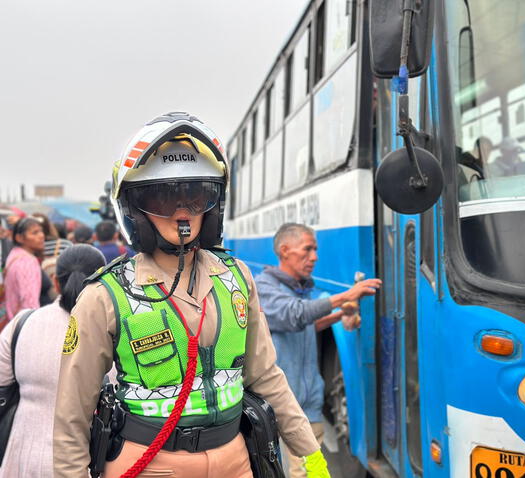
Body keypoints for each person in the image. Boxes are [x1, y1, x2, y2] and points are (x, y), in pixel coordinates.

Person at [53, 112, 328, 478]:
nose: (182, 211)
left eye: (195, 196)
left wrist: (310, 453)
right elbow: (71, 415)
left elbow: (266, 375)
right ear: (134, 208)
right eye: (164, 198)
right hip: (149, 462)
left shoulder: (236, 278)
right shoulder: (106, 296)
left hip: (237, 459)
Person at [255, 223, 382, 478]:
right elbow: (295, 314)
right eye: (308, 249)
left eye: (315, 250)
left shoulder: (300, 287)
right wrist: (347, 295)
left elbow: (305, 325)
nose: (314, 257)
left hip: (309, 405)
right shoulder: (264, 287)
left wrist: (339, 315)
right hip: (285, 408)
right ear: (285, 250)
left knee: (313, 471)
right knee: (300, 472)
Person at [0, 244, 106, 478]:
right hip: (83, 463)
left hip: (20, 459)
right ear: (105, 281)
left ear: (56, 282)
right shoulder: (112, 331)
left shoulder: (23, 322)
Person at [3, 217, 45, 324]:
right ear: (19, 238)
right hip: (25, 324)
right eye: (34, 233)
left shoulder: (14, 254)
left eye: (41, 231)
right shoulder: (28, 261)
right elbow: (30, 303)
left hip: (13, 321)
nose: (41, 236)